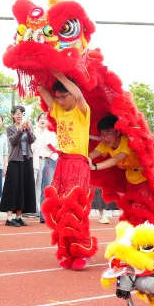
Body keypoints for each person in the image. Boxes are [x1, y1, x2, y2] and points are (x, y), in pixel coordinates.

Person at [36, 71, 96, 270]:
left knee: (77, 208)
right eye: (58, 97)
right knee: (61, 208)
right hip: (62, 164)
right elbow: (41, 89)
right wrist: (36, 67)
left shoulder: (82, 111)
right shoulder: (58, 111)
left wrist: (58, 73)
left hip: (78, 164)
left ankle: (83, 251)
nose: (60, 101)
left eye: (63, 96)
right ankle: (66, 250)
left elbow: (79, 95)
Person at [89, 115, 147, 222]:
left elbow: (115, 160)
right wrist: (83, 158)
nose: (105, 138)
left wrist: (95, 167)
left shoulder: (127, 142)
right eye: (102, 135)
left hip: (144, 176)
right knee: (131, 209)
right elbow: (92, 154)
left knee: (145, 209)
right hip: (131, 177)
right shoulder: (105, 144)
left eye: (109, 133)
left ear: (118, 132)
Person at [0, 106, 36, 227]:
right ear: (13, 115)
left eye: (21, 114)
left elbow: (32, 140)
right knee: (13, 188)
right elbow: (13, 141)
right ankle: (9, 218)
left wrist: (28, 129)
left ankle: (19, 217)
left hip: (27, 160)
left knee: (23, 188)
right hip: (15, 161)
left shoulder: (28, 126)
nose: (19, 116)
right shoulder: (10, 128)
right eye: (17, 114)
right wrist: (20, 130)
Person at [33, 112, 58, 224]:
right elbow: (49, 145)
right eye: (41, 118)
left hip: (56, 159)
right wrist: (59, 151)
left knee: (54, 188)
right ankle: (44, 214)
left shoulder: (55, 131)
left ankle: (53, 213)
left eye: (46, 118)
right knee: (46, 188)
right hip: (48, 160)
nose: (44, 120)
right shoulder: (46, 133)